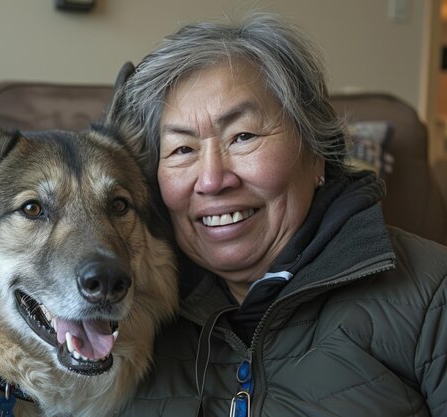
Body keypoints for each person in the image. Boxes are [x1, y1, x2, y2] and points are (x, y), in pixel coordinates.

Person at [112, 12, 447, 417]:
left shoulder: (434, 295)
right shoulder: (121, 304)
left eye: (243, 136)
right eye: (182, 149)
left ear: (316, 151)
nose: (212, 180)